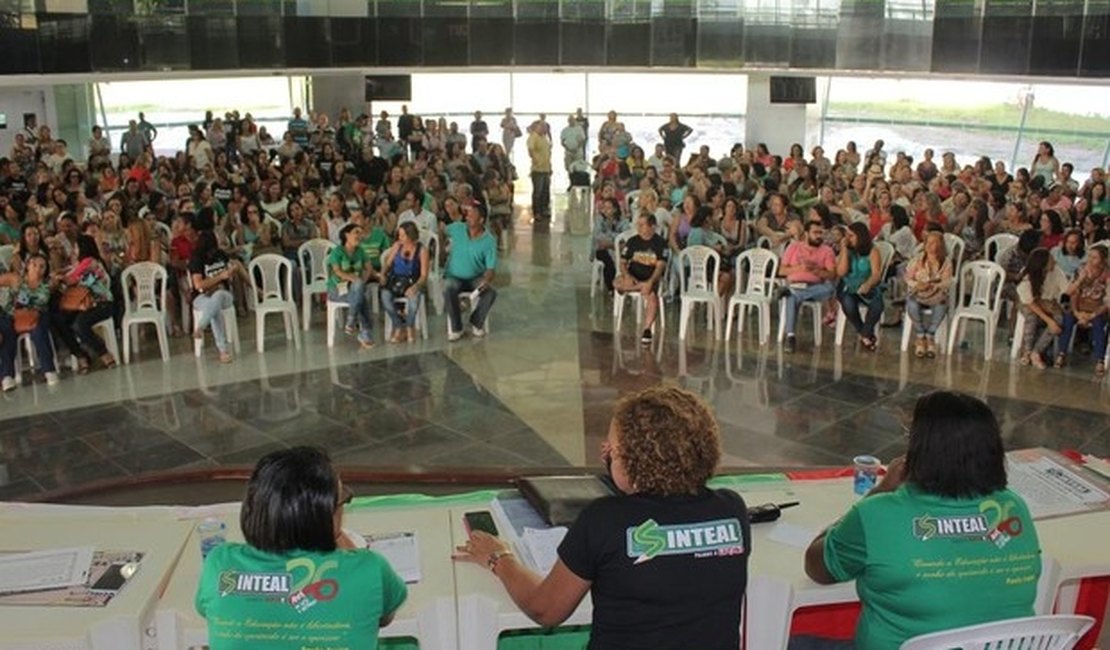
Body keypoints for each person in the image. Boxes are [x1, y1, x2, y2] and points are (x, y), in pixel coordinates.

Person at [453, 386, 750, 649]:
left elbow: (546, 610)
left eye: (613, 449)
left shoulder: (604, 520)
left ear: (637, 462)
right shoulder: (732, 510)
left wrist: (500, 558)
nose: (605, 453)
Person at [800, 391, 1041, 650]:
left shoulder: (878, 514)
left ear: (921, 449)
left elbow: (817, 566)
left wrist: (879, 492)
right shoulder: (1014, 507)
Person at [196, 446, 407, 650]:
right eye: (342, 499)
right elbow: (383, 617)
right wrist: (341, 540)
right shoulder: (371, 569)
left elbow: (210, 612)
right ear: (324, 513)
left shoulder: (218, 563)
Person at [54, 234, 116, 373]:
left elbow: (70, 279)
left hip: (102, 304)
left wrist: (58, 278)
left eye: (76, 247)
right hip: (86, 304)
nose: (74, 250)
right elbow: (71, 270)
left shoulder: (89, 262)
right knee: (61, 321)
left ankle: (103, 353)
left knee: (79, 324)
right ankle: (80, 354)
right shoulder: (83, 263)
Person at [0, 252, 60, 390]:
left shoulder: (48, 284)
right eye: (34, 265)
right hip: (12, 315)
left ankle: (49, 370)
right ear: (27, 265)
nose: (37, 269)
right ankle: (7, 376)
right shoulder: (16, 279)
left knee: (39, 330)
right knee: (7, 332)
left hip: (37, 314)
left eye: (42, 266)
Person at [780, 219, 837, 354]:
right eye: (815, 232)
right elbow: (781, 271)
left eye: (820, 233)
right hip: (796, 284)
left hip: (815, 288)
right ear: (806, 233)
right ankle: (790, 337)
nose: (818, 236)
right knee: (791, 298)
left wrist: (817, 271)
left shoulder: (827, 251)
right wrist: (800, 268)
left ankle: (792, 293)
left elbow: (832, 275)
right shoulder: (793, 247)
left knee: (829, 289)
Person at [443, 200, 497, 341]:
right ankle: (457, 328)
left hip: (475, 277)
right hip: (455, 276)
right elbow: (441, 229)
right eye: (467, 215)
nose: (467, 218)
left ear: (481, 220)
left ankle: (476, 322)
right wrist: (442, 247)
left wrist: (485, 281)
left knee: (490, 293)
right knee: (448, 288)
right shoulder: (457, 228)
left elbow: (490, 268)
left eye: (471, 216)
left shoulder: (489, 241)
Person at [1058, 245, 1109, 377]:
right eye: (1089, 257)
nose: (1090, 261)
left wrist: (1092, 315)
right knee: (1067, 319)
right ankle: (1061, 353)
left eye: (1095, 258)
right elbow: (1070, 294)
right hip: (1079, 306)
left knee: (1098, 324)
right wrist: (1076, 312)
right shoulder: (1081, 270)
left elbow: (1107, 301)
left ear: (1102, 260)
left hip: (1098, 309)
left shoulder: (1107, 275)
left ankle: (1100, 360)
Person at [616, 214, 667, 345]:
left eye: (642, 225)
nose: (638, 228)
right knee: (616, 282)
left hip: (650, 277)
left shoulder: (660, 243)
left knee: (651, 296)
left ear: (652, 227)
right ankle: (635, 286)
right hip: (633, 276)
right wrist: (627, 276)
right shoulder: (633, 241)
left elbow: (660, 267)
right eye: (638, 225)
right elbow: (622, 262)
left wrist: (650, 281)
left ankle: (647, 329)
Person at [189, 229, 238, 363]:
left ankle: (201, 327)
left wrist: (231, 271)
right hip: (201, 296)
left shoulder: (221, 255)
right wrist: (219, 277)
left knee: (217, 296)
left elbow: (230, 270)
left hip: (223, 293)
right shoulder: (196, 259)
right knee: (213, 305)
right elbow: (198, 285)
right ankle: (223, 350)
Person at [905, 230, 954, 359]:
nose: (930, 245)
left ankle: (930, 334)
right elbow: (908, 278)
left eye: (934, 243)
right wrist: (917, 284)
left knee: (942, 305)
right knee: (911, 304)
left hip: (936, 294)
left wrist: (934, 284)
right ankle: (921, 335)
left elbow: (947, 281)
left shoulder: (946, 262)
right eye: (928, 242)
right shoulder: (917, 259)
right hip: (919, 294)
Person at [327, 223, 377, 350]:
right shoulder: (337, 252)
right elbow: (337, 271)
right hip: (337, 289)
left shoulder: (361, 251)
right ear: (346, 235)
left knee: (359, 291)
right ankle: (364, 331)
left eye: (361, 233)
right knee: (361, 297)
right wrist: (355, 279)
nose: (359, 236)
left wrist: (362, 281)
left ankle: (351, 322)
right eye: (356, 232)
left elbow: (369, 268)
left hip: (355, 288)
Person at [1016, 247, 1067, 369]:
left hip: (1048, 302)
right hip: (1030, 304)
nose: (1053, 261)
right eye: (1050, 259)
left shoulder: (1056, 271)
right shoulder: (1027, 277)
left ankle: (1036, 351)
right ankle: (1027, 351)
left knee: (1059, 318)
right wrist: (1049, 321)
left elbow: (1065, 289)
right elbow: (1030, 302)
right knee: (1032, 315)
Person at [836, 221, 884, 351]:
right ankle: (866, 334)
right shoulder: (847, 251)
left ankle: (864, 333)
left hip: (867, 286)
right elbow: (841, 272)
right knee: (848, 303)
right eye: (847, 235)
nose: (848, 238)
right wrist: (844, 250)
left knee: (877, 306)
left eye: (851, 236)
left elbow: (876, 274)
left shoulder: (873, 251)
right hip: (849, 287)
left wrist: (868, 284)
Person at [380, 222, 429, 344]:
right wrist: (382, 274)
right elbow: (388, 263)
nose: (399, 238)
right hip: (396, 280)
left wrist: (415, 287)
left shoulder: (422, 250)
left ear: (411, 236)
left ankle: (409, 326)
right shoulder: (397, 246)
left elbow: (424, 275)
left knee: (413, 301)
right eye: (399, 235)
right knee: (385, 296)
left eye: (403, 235)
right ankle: (397, 325)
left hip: (413, 281)